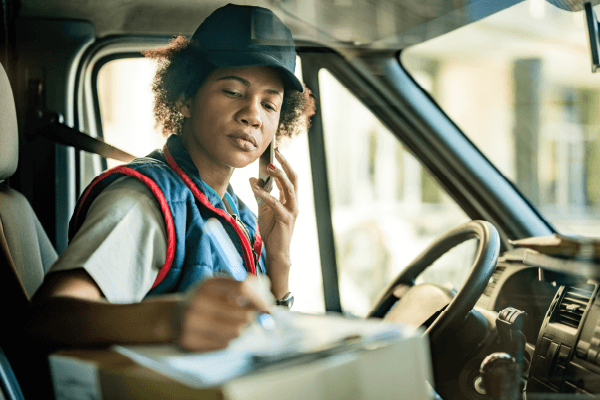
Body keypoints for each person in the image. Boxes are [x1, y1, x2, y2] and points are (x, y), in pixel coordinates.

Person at [26, 3, 316, 353]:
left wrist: (278, 259)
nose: (253, 115)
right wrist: (172, 319)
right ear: (185, 99)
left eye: (270, 105)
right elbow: (46, 318)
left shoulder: (237, 214)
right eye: (233, 92)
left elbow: (259, 339)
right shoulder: (142, 202)